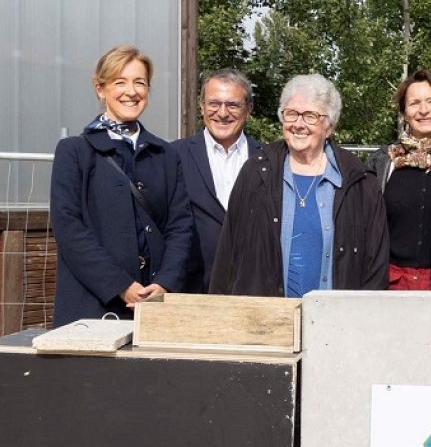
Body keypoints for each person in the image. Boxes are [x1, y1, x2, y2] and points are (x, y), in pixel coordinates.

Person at [50, 45, 194, 326]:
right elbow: (68, 227)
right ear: (100, 88)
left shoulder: (165, 154)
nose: (131, 91)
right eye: (120, 82)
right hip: (91, 305)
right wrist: (119, 284)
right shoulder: (75, 151)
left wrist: (165, 281)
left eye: (139, 82)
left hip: (155, 306)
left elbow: (181, 225)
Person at [209, 73, 388, 296]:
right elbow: (229, 253)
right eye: (291, 114)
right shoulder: (256, 172)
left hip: (336, 322)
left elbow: (376, 267)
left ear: (329, 126)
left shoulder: (359, 182)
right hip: (266, 320)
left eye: (310, 116)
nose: (298, 124)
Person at [368, 70, 431, 290]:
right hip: (391, 283)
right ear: (403, 112)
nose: (423, 111)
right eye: (414, 103)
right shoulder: (383, 162)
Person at [173, 68, 263, 292]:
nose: (222, 113)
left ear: (248, 109)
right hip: (191, 289)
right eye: (214, 103)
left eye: (233, 105)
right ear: (202, 107)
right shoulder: (174, 156)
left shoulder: (269, 160)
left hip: (253, 289)